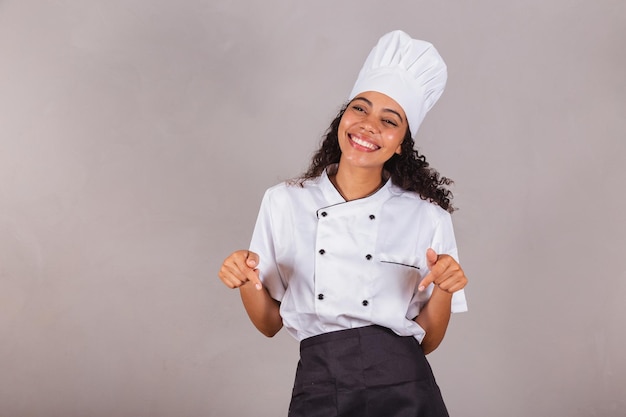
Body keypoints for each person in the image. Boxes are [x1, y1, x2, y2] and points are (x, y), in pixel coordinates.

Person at [218, 29, 468, 417]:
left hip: (406, 385)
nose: (368, 125)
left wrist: (446, 289)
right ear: (343, 117)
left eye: (389, 120)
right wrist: (245, 279)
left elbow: (429, 340)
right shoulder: (283, 201)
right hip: (321, 383)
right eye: (360, 109)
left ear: (402, 142)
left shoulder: (427, 216)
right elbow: (268, 323)